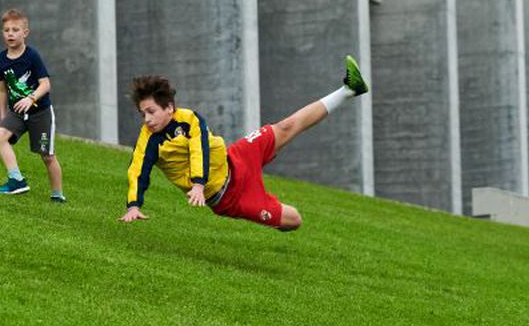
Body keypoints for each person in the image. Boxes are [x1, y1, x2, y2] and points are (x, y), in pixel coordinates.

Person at [119, 56, 370, 230]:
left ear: (169, 108)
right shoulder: (149, 140)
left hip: (237, 158)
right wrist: (133, 205)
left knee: (285, 126)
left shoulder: (189, 119)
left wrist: (197, 184)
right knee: (294, 220)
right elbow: (138, 170)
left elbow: (200, 149)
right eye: (143, 114)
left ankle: (349, 89)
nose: (147, 119)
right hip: (230, 197)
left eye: (151, 111)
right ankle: (272, 213)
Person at [0, 9, 65, 202]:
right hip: (16, 113)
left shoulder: (32, 56)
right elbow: (2, 89)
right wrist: (3, 116)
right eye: (6, 30)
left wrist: (31, 98)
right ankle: (16, 180)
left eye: (15, 29)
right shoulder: (0, 60)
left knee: (47, 156)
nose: (10, 34)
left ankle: (57, 195)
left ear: (25, 33)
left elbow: (46, 84)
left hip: (39, 112)